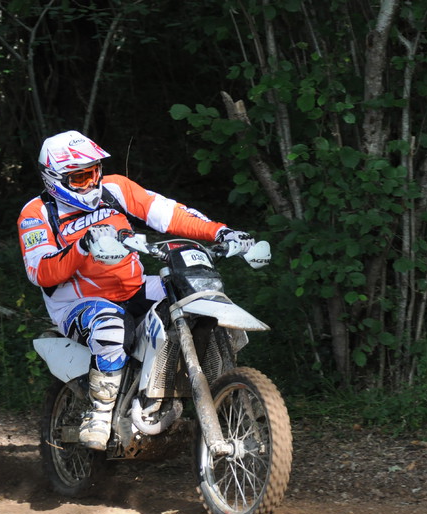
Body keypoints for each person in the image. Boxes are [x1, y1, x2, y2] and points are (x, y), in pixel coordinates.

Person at [17, 130, 254, 450]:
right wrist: (83, 246)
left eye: (94, 173)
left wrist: (221, 232)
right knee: (111, 327)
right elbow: (41, 272)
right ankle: (99, 413)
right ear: (53, 179)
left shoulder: (116, 189)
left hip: (134, 287)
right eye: (80, 178)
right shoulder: (36, 214)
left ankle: (220, 390)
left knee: (200, 296)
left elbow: (168, 213)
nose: (91, 183)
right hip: (77, 303)